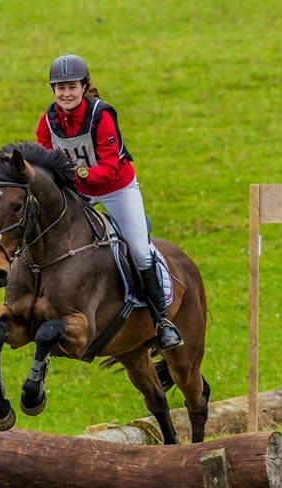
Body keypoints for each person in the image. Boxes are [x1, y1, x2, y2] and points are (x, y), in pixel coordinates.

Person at [35, 54, 183, 351]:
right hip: (80, 191)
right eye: (60, 87)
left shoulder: (101, 116)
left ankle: (162, 322)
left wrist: (77, 173)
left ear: (84, 86)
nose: (66, 93)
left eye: (72, 87)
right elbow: (43, 161)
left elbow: (110, 168)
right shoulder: (47, 121)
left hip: (117, 188)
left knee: (140, 251)